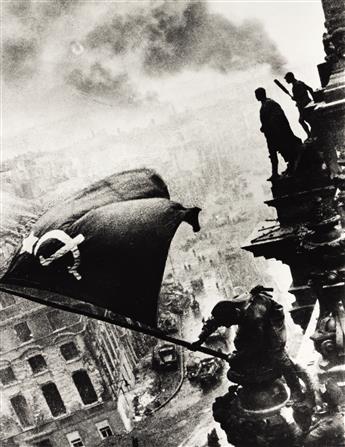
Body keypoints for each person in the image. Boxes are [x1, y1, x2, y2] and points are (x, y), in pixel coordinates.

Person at [192, 285, 304, 401]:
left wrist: (237, 357)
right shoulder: (229, 310)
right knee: (240, 342)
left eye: (229, 323)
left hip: (272, 318)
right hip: (251, 320)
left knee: (276, 350)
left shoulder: (254, 318)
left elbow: (256, 345)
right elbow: (214, 322)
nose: (227, 326)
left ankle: (296, 389)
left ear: (236, 313)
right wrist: (200, 339)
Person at [255, 88, 302, 180]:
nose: (256, 97)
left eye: (257, 94)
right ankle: (275, 173)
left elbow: (277, 117)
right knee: (274, 153)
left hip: (275, 134)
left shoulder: (269, 103)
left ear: (261, 94)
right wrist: (264, 126)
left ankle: (288, 168)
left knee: (281, 151)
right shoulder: (266, 104)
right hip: (271, 134)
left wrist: (269, 127)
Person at [284, 72, 314, 138]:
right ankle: (311, 132)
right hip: (306, 104)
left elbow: (299, 97)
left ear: (290, 77)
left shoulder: (296, 85)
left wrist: (295, 98)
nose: (286, 81)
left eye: (287, 79)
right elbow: (310, 89)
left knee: (303, 120)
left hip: (304, 105)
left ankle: (310, 134)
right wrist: (313, 99)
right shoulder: (299, 82)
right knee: (306, 119)